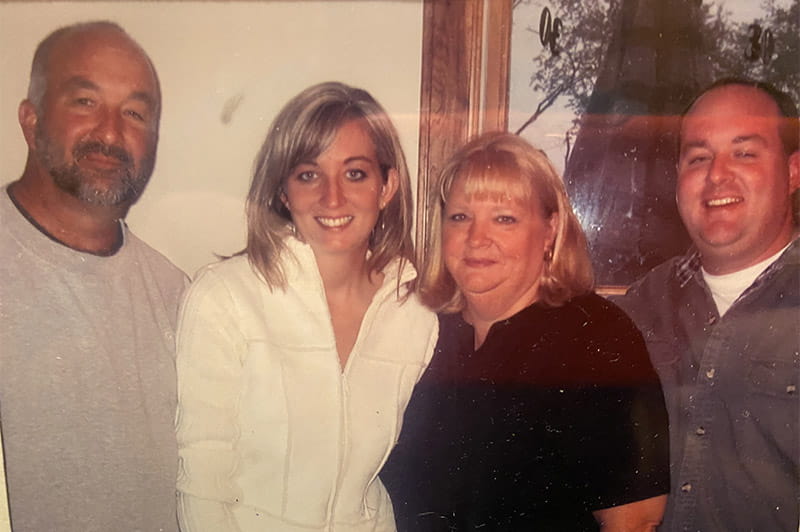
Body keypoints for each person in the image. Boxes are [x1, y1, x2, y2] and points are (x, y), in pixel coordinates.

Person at [174, 81, 438, 532]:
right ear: (283, 191)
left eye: (355, 174)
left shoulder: (416, 314)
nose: (332, 198)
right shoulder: (225, 297)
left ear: (387, 186)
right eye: (308, 175)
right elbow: (202, 483)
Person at [381, 132, 670, 531]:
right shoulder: (422, 329)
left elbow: (635, 519)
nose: (477, 238)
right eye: (460, 217)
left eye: (504, 219)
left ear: (550, 230)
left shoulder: (596, 337)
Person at [0, 21, 186, 532]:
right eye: (85, 102)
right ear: (31, 120)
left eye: (134, 113)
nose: (110, 132)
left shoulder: (178, 296)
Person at [617, 79, 800, 531]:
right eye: (698, 158)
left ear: (794, 172)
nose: (717, 175)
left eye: (745, 153)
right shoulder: (638, 309)